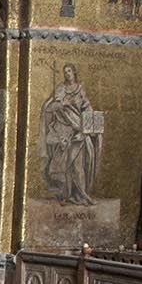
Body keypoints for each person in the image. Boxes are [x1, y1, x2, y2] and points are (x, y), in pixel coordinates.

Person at [39, 63, 100, 206]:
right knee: (65, 165)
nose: (67, 74)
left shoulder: (80, 90)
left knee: (77, 166)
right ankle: (67, 195)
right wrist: (62, 104)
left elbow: (86, 107)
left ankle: (82, 195)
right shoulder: (60, 89)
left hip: (77, 130)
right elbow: (50, 107)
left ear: (74, 72)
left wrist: (90, 123)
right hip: (63, 131)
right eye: (64, 71)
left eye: (69, 71)